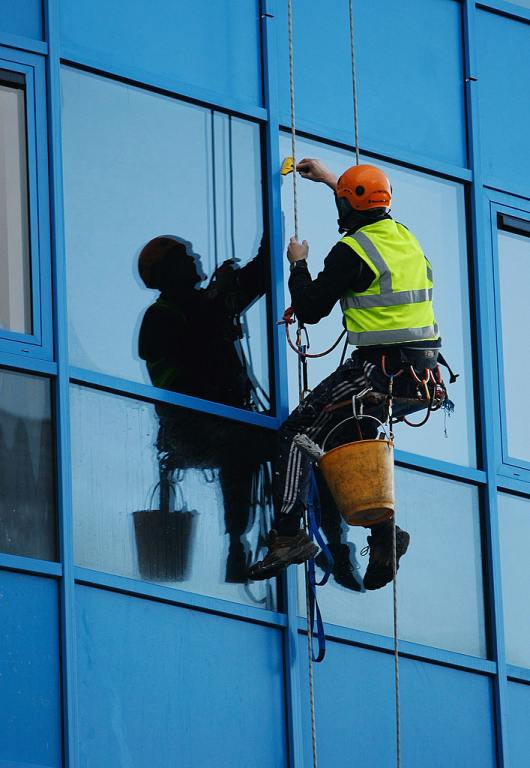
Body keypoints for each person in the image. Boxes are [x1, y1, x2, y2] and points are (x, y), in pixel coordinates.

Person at [249, 160, 445, 590]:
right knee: (348, 432)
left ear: (348, 206)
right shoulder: (403, 237)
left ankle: (287, 536)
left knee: (298, 432)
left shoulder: (352, 250)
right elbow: (361, 200)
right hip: (422, 378)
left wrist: (297, 265)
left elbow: (311, 310)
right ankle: (385, 535)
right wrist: (327, 179)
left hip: (379, 372)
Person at [137, 236, 273, 583]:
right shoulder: (159, 318)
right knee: (240, 446)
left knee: (288, 442)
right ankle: (237, 545)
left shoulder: (203, 306)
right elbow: (193, 358)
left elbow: (256, 279)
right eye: (184, 256)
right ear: (167, 272)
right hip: (190, 427)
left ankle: (292, 535)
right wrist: (215, 298)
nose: (195, 257)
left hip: (217, 423)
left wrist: (270, 239)